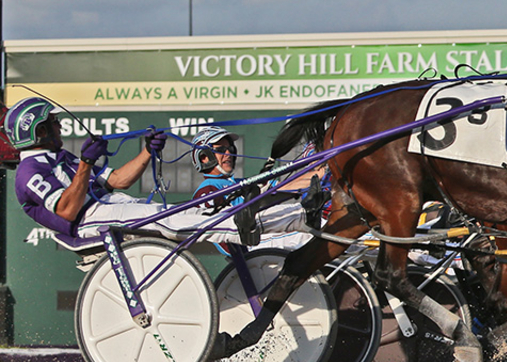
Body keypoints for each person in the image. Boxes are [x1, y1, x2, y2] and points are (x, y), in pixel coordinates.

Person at [4, 97, 307, 246]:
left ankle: (296, 217)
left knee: (188, 216)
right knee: (179, 223)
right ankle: (296, 221)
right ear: (40, 130)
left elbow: (119, 180)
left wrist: (148, 151)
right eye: (53, 123)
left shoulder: (61, 156)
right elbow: (68, 210)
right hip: (91, 220)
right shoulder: (29, 171)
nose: (59, 125)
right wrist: (84, 165)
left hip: (113, 207)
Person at [190, 126, 320, 249]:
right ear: (204, 158)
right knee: (312, 231)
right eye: (221, 150)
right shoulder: (207, 190)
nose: (228, 153)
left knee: (308, 216)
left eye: (230, 148)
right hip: (250, 242)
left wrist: (322, 171)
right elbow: (219, 233)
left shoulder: (240, 183)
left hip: (266, 233)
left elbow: (285, 187)